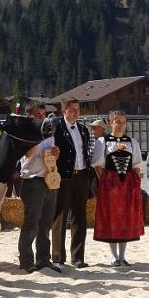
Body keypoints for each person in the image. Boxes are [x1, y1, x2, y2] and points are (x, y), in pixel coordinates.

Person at [92, 110, 145, 268]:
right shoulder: (103, 141)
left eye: (123, 122)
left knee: (125, 219)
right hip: (110, 185)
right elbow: (98, 165)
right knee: (111, 219)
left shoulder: (132, 142)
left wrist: (135, 184)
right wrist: (105, 181)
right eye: (117, 121)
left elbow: (136, 165)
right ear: (110, 123)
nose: (121, 125)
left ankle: (122, 256)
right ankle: (114, 256)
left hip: (127, 185)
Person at [16, 101, 60, 272]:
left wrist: (56, 152)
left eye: (43, 114)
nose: (41, 118)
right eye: (37, 115)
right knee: (31, 224)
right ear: (28, 116)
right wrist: (39, 138)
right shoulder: (24, 133)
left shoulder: (49, 132)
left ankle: (43, 259)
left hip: (49, 179)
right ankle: (26, 262)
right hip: (32, 180)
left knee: (45, 224)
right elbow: (27, 154)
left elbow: (51, 156)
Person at [50, 97, 93, 269]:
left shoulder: (83, 129)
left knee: (80, 217)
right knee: (60, 216)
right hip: (64, 177)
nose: (76, 112)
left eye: (78, 109)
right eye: (73, 109)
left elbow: (85, 152)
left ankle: (78, 257)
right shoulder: (56, 128)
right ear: (64, 111)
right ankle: (58, 258)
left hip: (81, 176)